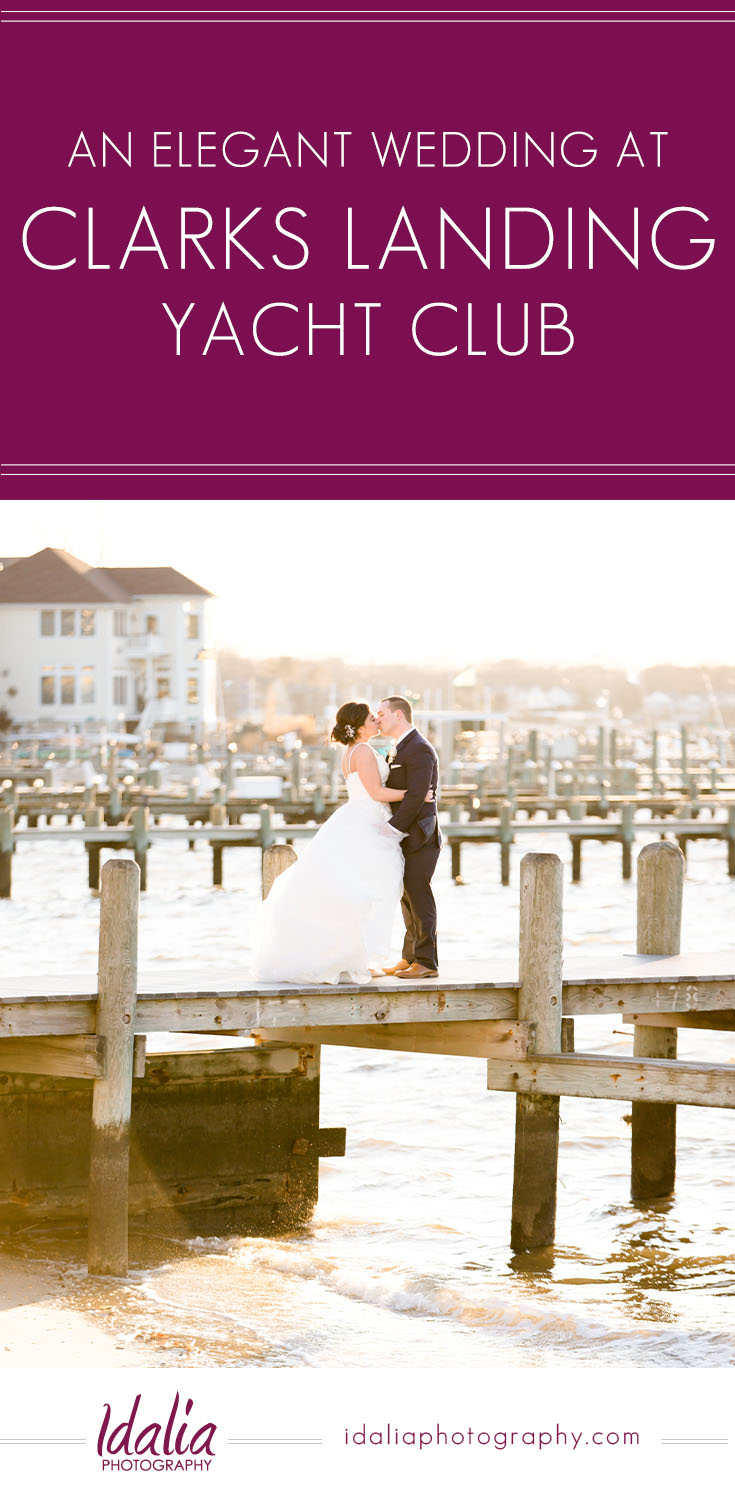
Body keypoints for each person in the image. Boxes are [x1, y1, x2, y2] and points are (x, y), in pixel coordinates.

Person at [251, 702, 434, 985]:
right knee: (364, 892)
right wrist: (415, 794)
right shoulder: (362, 751)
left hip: (357, 819)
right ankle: (357, 958)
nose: (377, 721)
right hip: (368, 821)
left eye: (379, 716)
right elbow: (375, 791)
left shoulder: (353, 751)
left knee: (360, 891)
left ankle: (366, 956)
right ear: (361, 726)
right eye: (373, 718)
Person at [376, 696, 441, 979]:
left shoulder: (419, 749)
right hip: (406, 836)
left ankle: (427, 962)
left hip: (420, 836)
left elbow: (417, 797)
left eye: (381, 713)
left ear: (398, 715)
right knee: (407, 898)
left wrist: (393, 828)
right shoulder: (400, 747)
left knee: (419, 896)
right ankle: (410, 956)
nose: (377, 719)